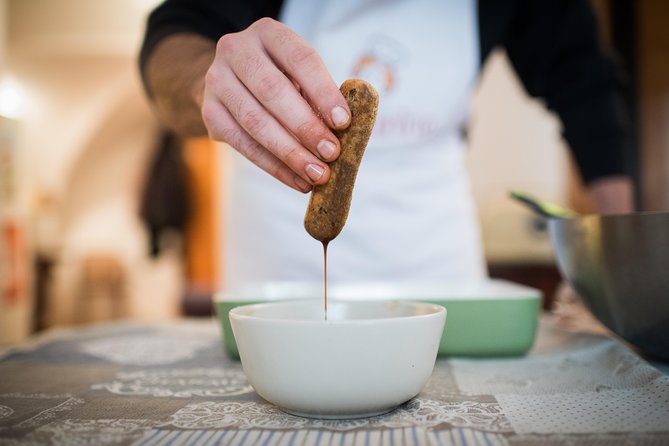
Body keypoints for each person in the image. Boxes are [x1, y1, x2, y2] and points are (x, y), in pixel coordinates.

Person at [139, 0, 635, 290]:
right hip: (280, 263)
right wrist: (208, 83)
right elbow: (169, 39)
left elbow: (586, 84)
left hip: (437, 263)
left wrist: (619, 271)